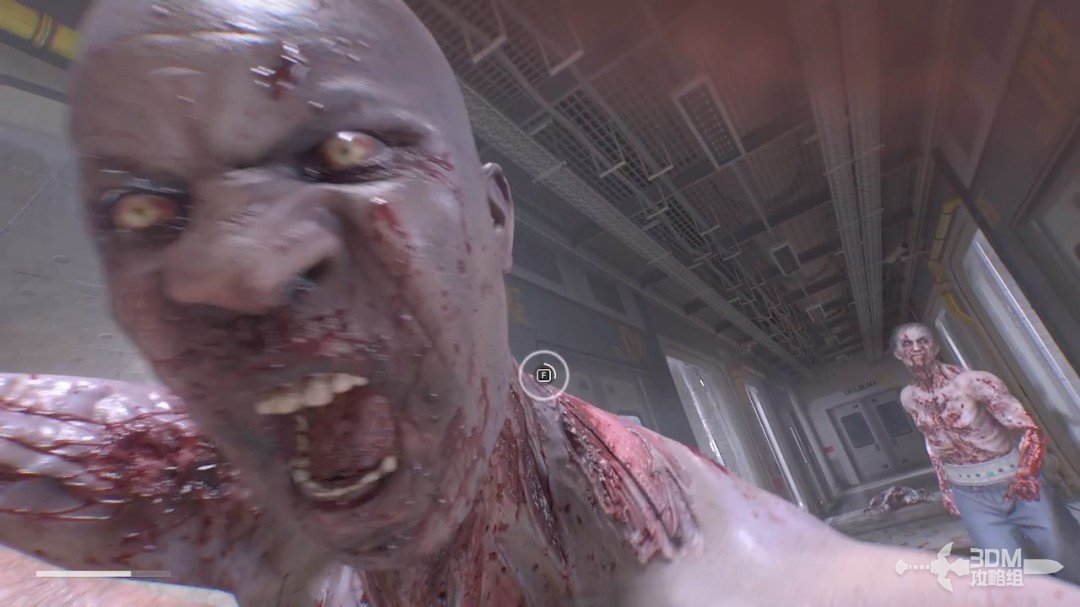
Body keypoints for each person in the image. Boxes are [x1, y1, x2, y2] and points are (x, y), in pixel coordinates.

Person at [0, 1, 1078, 604]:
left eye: (345, 154)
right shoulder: (214, 481)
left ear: (494, 219)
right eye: (144, 213)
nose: (231, 270)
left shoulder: (695, 565)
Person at [892, 322, 1080, 585]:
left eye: (922, 341)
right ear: (898, 354)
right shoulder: (909, 398)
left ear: (935, 347)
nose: (916, 348)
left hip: (1014, 480)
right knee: (1008, 572)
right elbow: (933, 442)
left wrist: (1026, 474)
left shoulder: (972, 382)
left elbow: (1028, 427)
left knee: (1067, 557)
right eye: (907, 343)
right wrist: (946, 488)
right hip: (969, 493)